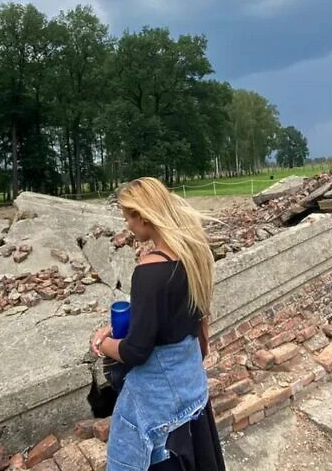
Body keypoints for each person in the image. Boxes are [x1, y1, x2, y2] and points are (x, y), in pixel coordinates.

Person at [90, 177, 225, 471]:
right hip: (193, 391)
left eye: (128, 217)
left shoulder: (149, 272)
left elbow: (136, 351)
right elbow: (189, 322)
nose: (127, 225)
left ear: (143, 216)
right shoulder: (193, 253)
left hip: (160, 410)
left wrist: (102, 342)